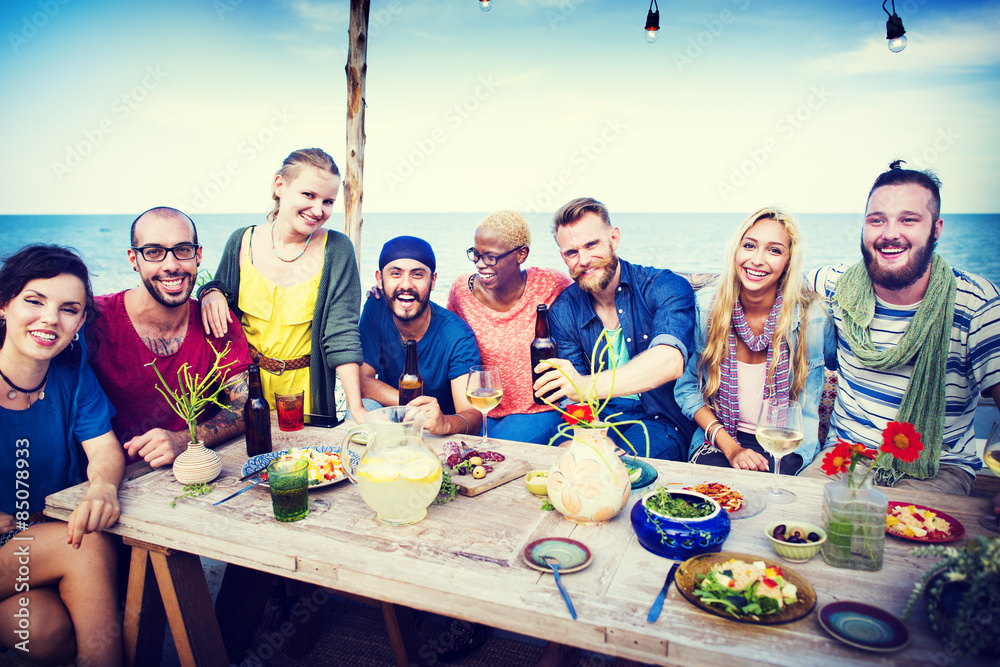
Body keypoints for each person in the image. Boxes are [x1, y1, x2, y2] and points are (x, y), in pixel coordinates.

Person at [805, 161, 1000, 506]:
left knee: (897, 544)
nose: (890, 233)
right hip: (842, 457)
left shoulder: (976, 304)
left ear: (936, 229)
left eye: (908, 219)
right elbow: (766, 288)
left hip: (937, 470)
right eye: (877, 219)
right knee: (792, 524)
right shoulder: (834, 285)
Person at [0, 245, 124, 666]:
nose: (51, 318)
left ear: (80, 322)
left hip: (32, 543)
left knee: (47, 634)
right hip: (23, 542)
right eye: (34, 301)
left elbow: (104, 449)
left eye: (69, 309)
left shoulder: (72, 380)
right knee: (87, 544)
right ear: (4, 305)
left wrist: (103, 487)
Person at [199, 147, 367, 424]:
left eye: (328, 201)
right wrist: (210, 292)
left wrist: (357, 409)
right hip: (244, 390)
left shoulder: (337, 249)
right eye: (308, 195)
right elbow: (218, 301)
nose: (318, 210)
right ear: (280, 185)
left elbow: (342, 334)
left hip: (307, 393)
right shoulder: (241, 242)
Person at [674, 207, 835, 473]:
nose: (757, 260)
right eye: (749, 245)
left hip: (786, 443)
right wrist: (731, 447)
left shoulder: (813, 317)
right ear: (736, 251)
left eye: (774, 250)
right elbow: (686, 388)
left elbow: (847, 364)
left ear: (788, 262)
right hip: (719, 440)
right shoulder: (706, 309)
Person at [536, 197, 696, 460]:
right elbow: (572, 397)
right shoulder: (563, 310)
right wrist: (594, 434)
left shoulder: (665, 286)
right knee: (564, 464)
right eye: (572, 252)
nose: (584, 260)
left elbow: (670, 361)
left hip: (658, 419)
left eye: (592, 244)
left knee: (618, 470)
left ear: (614, 238)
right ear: (562, 257)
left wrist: (584, 386)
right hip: (594, 418)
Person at [91, 207, 250, 466]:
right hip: (105, 482)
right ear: (134, 259)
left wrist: (185, 440)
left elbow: (244, 406)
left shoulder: (218, 323)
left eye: (183, 250)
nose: (171, 265)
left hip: (195, 473)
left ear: (198, 255)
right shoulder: (94, 319)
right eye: (154, 252)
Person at [446, 210, 571, 443]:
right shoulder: (462, 290)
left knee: (489, 456)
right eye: (476, 254)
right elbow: (443, 332)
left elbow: (590, 309)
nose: (480, 265)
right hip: (482, 407)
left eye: (490, 257)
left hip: (539, 411)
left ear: (521, 254)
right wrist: (385, 297)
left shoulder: (551, 283)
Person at [360, 236, 482, 436]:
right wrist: (411, 405)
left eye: (417, 275)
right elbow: (361, 381)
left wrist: (445, 423)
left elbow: (473, 416)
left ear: (433, 281)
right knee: (364, 407)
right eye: (395, 274)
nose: (406, 285)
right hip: (393, 420)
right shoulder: (375, 307)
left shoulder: (458, 336)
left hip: (435, 431)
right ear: (379, 280)